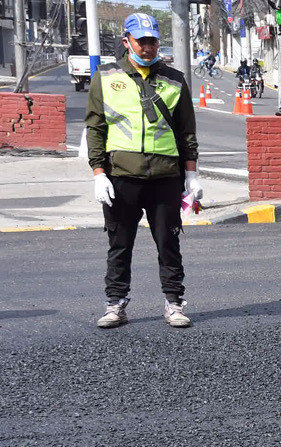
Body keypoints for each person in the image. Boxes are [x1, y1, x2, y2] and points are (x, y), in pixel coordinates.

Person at [85, 12, 201, 329]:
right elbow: (95, 128)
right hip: (121, 178)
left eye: (152, 41)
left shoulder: (174, 80)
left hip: (165, 177)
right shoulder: (106, 77)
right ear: (127, 42)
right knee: (120, 244)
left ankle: (174, 303)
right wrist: (98, 173)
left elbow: (187, 130)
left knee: (169, 243)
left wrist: (191, 174)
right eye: (142, 41)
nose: (148, 48)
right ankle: (115, 305)